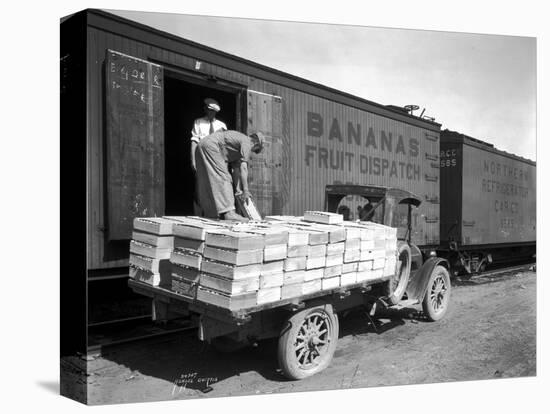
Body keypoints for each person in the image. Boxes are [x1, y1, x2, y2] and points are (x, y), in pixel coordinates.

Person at [195, 130, 265, 221]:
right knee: (224, 177)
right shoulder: (247, 142)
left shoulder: (237, 147)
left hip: (202, 145)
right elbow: (243, 168)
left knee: (206, 179)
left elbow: (236, 171)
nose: (252, 152)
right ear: (256, 144)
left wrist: (238, 190)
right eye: (255, 150)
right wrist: (246, 190)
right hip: (212, 145)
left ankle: (210, 213)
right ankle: (229, 213)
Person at [190, 98, 227, 172]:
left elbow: (225, 146)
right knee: (201, 181)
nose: (210, 112)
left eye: (213, 111)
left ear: (216, 111)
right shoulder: (198, 122)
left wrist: (225, 164)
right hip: (202, 157)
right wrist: (193, 160)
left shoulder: (222, 125)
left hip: (217, 158)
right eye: (208, 110)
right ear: (205, 109)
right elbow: (194, 142)